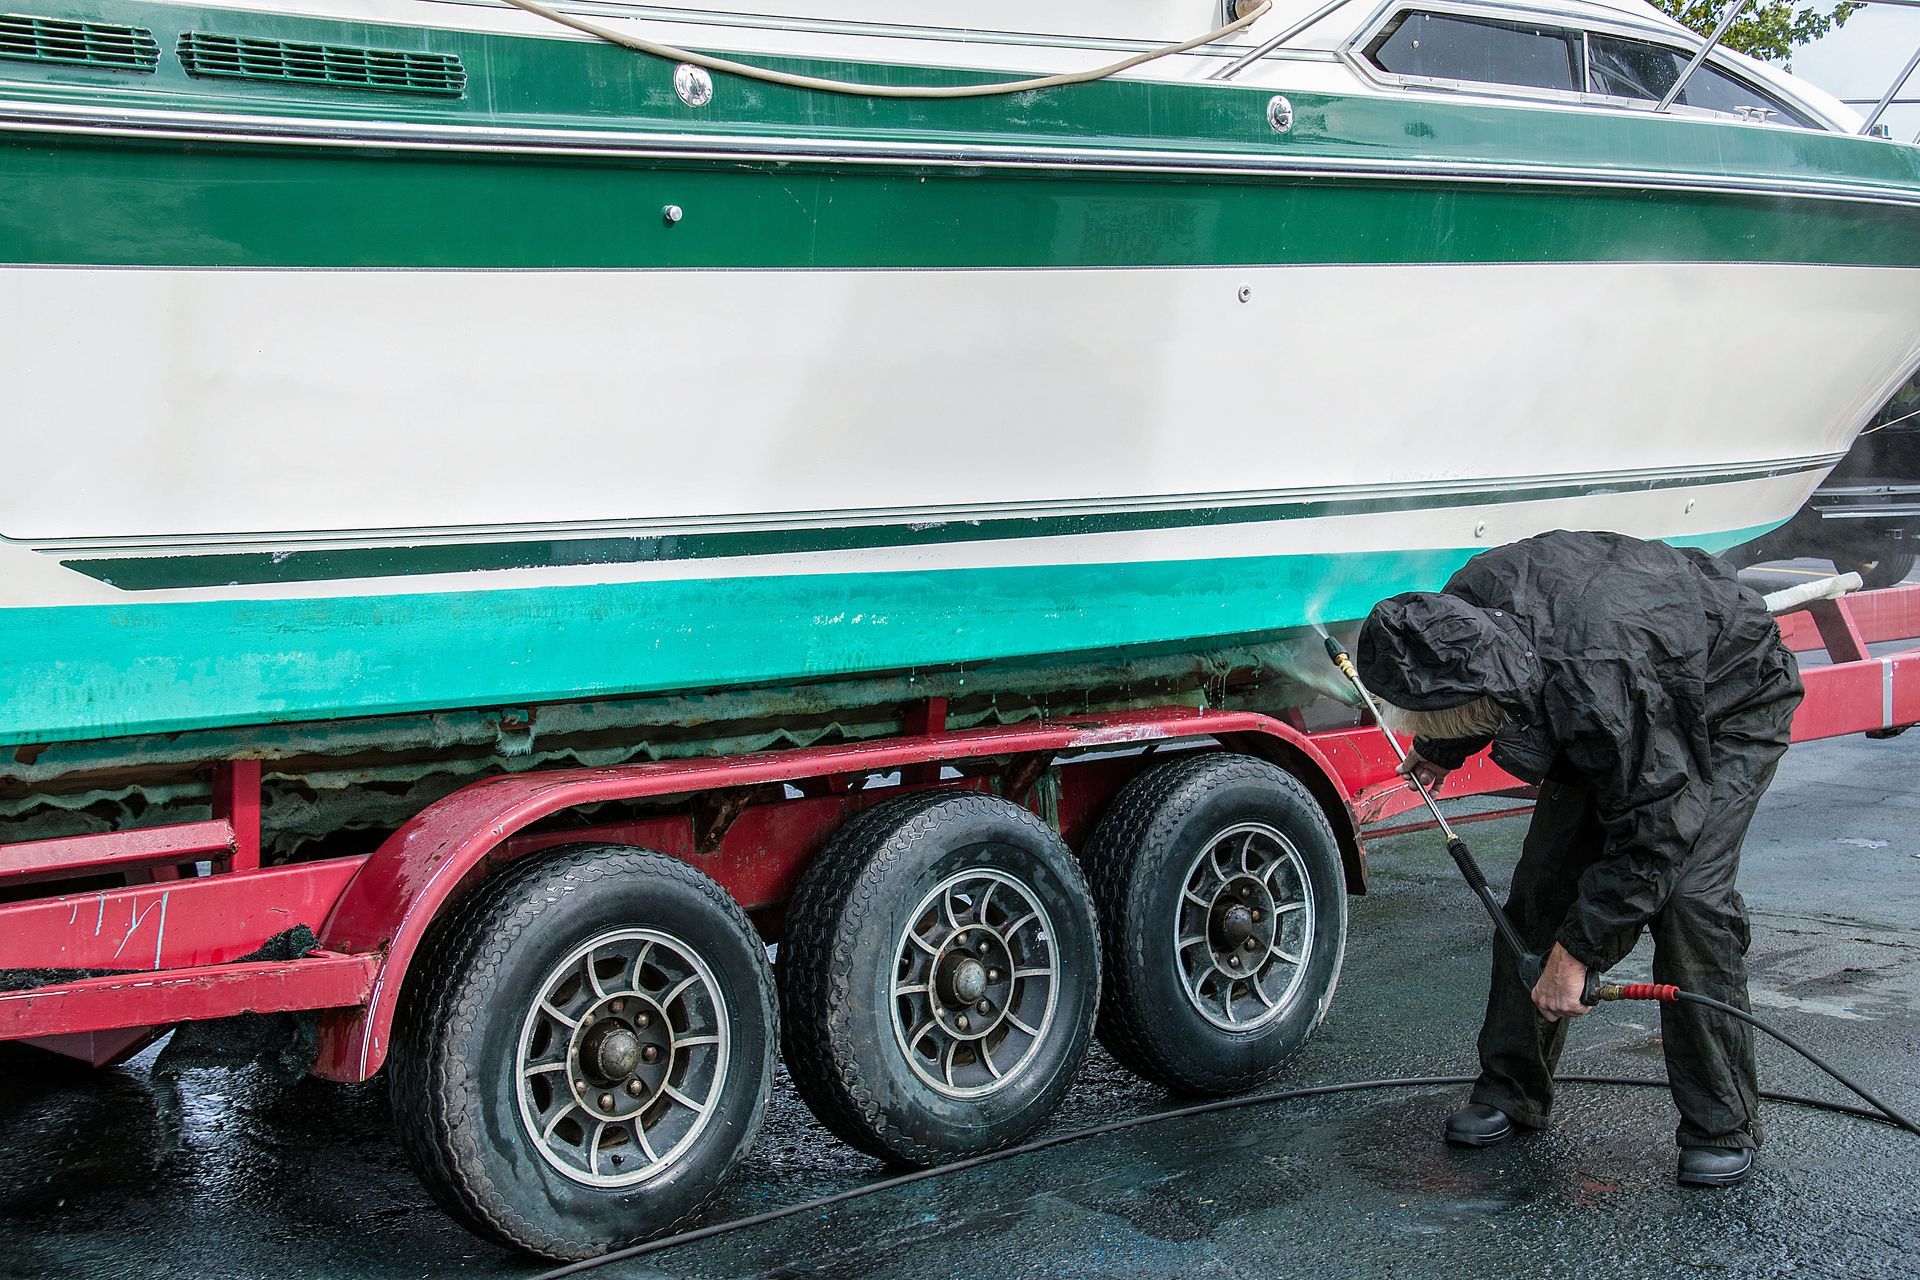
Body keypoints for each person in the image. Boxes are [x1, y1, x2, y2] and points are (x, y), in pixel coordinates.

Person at [1355, 529, 1802, 1187]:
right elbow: (1479, 669)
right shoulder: (1459, 609)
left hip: (1727, 703)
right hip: (1631, 693)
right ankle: (1511, 1090)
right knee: (1538, 896)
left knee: (1687, 904)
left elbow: (1655, 829)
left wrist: (1578, 957)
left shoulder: (1595, 682)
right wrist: (1443, 748)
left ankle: (1720, 1122)